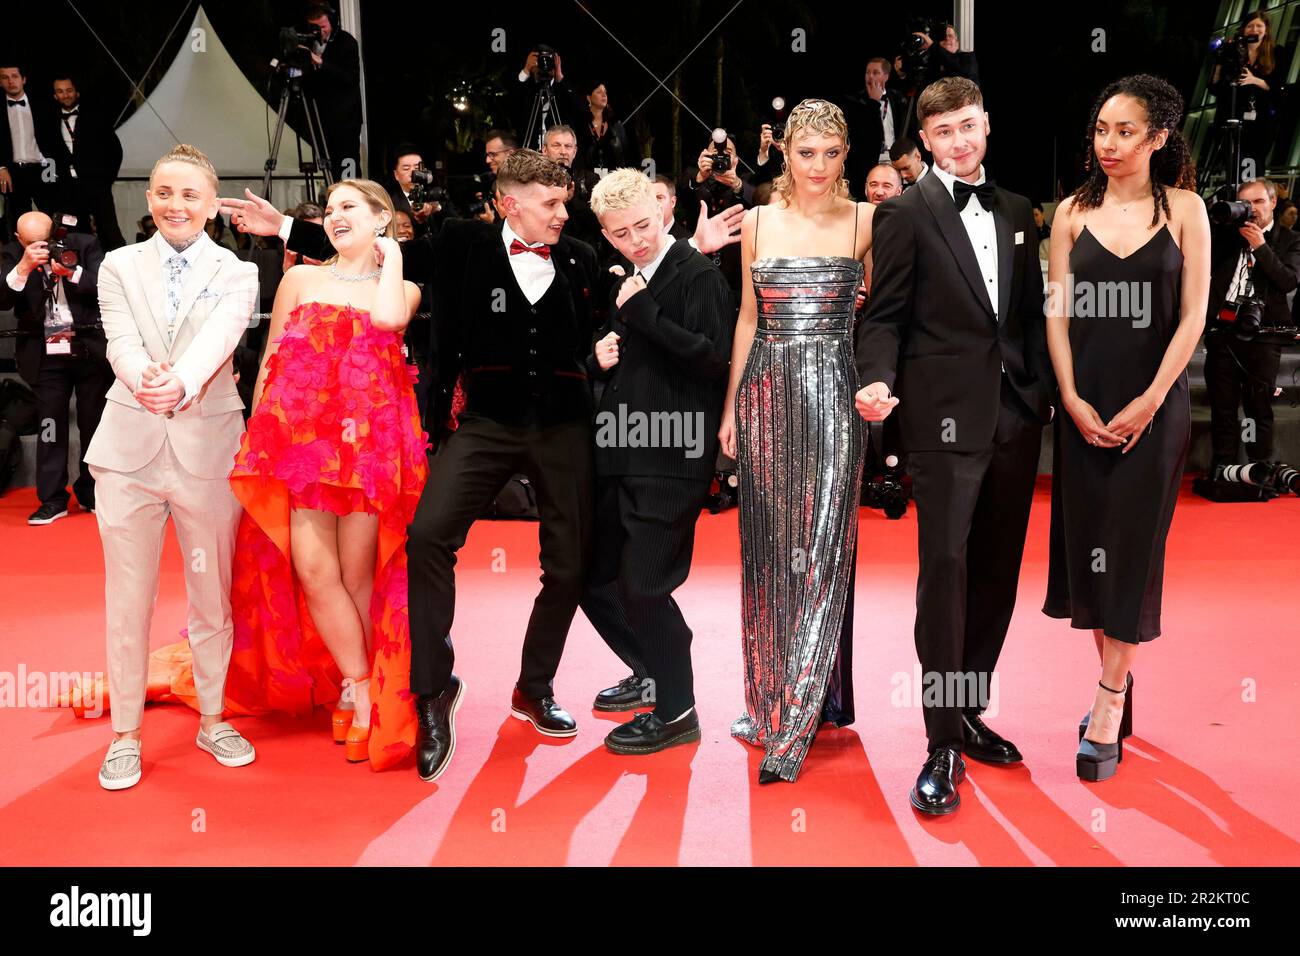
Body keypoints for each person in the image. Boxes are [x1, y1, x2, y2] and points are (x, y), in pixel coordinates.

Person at [857, 78, 1054, 815]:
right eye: (943, 133)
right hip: (940, 421)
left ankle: (969, 711)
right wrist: (874, 379)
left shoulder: (1016, 210)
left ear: (987, 124)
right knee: (944, 568)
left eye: (968, 126)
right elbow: (884, 316)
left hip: (1014, 417)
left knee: (997, 572)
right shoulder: (904, 213)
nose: (959, 141)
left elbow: (1028, 313)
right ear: (925, 144)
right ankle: (940, 740)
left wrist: (1040, 394)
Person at [223, 179, 426, 766]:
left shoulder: (402, 289)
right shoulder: (300, 278)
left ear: (381, 219)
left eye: (349, 208)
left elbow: (388, 318)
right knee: (314, 568)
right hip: (303, 446)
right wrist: (259, 433)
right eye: (330, 209)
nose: (335, 217)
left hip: (366, 450)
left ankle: (347, 681)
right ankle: (362, 685)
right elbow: (272, 356)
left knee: (357, 576)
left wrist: (393, 258)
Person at [1044, 75, 1210, 783]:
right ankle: (1116, 678)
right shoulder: (1070, 215)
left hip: (1156, 407)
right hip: (1083, 406)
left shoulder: (1186, 212)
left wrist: (1149, 401)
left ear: (1159, 138)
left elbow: (1193, 318)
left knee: (1134, 553)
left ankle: (1110, 699)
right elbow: (1054, 313)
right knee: (1093, 553)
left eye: (1124, 131)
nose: (1108, 143)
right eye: (1102, 130)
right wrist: (1072, 399)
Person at [83, 144, 259, 790]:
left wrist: (179, 385)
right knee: (126, 598)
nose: (174, 205)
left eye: (189, 195)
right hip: (127, 452)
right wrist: (147, 384)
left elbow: (221, 339)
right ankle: (125, 734)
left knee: (211, 595)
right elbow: (119, 339)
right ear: (148, 198)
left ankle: (213, 718)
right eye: (163, 192)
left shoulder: (238, 272)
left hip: (207, 454)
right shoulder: (119, 265)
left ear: (213, 205)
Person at [718, 99, 873, 784]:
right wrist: (731, 408)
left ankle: (796, 720)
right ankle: (773, 693)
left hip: (835, 397)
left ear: (846, 157)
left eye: (830, 153)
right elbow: (748, 319)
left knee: (822, 549)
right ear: (784, 153)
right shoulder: (755, 222)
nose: (817, 166)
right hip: (766, 393)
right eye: (805, 152)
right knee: (772, 551)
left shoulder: (868, 221)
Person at [581, 168, 734, 751]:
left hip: (672, 456)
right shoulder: (627, 274)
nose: (636, 239)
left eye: (644, 225)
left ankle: (676, 710)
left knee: (644, 588)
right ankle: (654, 670)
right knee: (594, 579)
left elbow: (712, 362)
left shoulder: (697, 274)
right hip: (619, 451)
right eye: (620, 233)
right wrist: (597, 359)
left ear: (662, 207)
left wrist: (644, 312)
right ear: (605, 231)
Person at [0, 211, 110, 524]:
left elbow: (107, 285)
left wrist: (72, 272)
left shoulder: (85, 244)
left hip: (89, 347)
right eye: (32, 243)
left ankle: (91, 492)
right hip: (45, 351)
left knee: (94, 425)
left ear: (56, 233)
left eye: (46, 240)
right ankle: (52, 498)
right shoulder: (13, 254)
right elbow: (3, 298)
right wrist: (23, 268)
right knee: (50, 426)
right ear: (21, 240)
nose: (42, 247)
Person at [1204, 178, 1299, 474]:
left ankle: (1262, 469)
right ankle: (1223, 468)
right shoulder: (1226, 238)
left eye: (1258, 202)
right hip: (1223, 333)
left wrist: (1259, 246)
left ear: (1273, 203)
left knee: (1260, 407)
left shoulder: (1290, 240)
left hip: (1265, 335)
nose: (1252, 209)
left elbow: (1287, 280)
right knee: (1222, 406)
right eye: (1245, 203)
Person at [40, 75, 126, 250]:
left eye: (69, 90)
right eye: (60, 91)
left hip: (96, 184)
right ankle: (83, 272)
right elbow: (46, 155)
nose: (65, 95)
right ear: (55, 95)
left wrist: (105, 179)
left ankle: (119, 269)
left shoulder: (95, 117)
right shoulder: (48, 122)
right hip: (67, 187)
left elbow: (114, 151)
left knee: (109, 229)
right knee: (76, 232)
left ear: (77, 92)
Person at [1210, 9, 1285, 177]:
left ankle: (1249, 199)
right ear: (1243, 30)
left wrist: (1254, 80)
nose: (1254, 30)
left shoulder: (1276, 53)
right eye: (1250, 26)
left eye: (1259, 26)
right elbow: (1214, 89)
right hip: (1230, 117)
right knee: (1232, 168)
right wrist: (1219, 65)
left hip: (1259, 123)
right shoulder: (1232, 52)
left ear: (1266, 30)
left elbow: (1279, 88)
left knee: (1252, 169)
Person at [299, 4, 362, 182]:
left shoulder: (346, 42)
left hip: (345, 120)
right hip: (321, 117)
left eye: (323, 26)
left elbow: (349, 77)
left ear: (332, 23)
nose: (319, 31)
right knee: (329, 166)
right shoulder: (309, 43)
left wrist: (320, 62)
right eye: (314, 27)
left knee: (347, 165)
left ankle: (352, 198)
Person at [1, 63, 52, 241]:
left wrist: (53, 168)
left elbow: (53, 139)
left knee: (50, 214)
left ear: (23, 79)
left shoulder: (41, 105)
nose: (10, 81)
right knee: (18, 219)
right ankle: (20, 262)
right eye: (5, 77)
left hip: (43, 167)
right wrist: (1, 168)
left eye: (14, 76)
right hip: (14, 171)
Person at [845, 58, 909, 200]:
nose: (871, 77)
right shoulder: (855, 100)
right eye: (868, 72)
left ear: (885, 76)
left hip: (894, 157)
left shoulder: (896, 97)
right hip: (869, 160)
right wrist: (873, 102)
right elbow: (862, 133)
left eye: (875, 72)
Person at [576, 82, 636, 174]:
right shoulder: (580, 124)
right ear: (589, 98)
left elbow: (626, 154)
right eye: (599, 92)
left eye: (605, 92)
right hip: (588, 179)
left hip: (614, 180)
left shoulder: (616, 125)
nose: (604, 95)